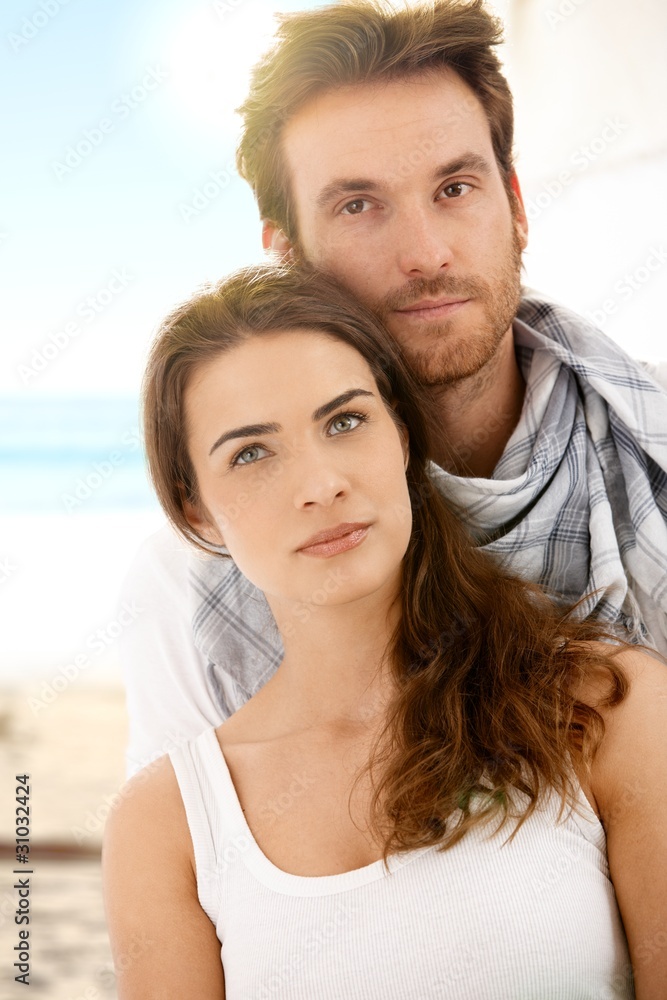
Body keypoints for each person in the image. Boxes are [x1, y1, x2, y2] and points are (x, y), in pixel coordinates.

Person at [118, 0, 667, 775]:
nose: (425, 253)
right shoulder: (192, 590)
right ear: (286, 252)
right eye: (357, 205)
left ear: (513, 205)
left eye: (454, 189)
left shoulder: (654, 434)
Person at [103, 263, 667, 998]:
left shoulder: (604, 706)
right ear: (196, 509)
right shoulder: (166, 824)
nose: (320, 484)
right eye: (250, 453)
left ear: (401, 435)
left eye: (344, 421)